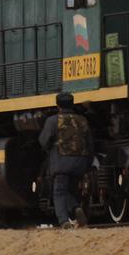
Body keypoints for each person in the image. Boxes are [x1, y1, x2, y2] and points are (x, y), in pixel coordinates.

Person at [39, 91, 94, 228]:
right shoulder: (82, 120)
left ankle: (63, 221)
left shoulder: (52, 121)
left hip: (61, 163)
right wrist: (88, 163)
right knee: (70, 190)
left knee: (59, 191)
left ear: (58, 105)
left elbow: (44, 142)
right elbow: (90, 143)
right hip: (80, 163)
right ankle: (76, 208)